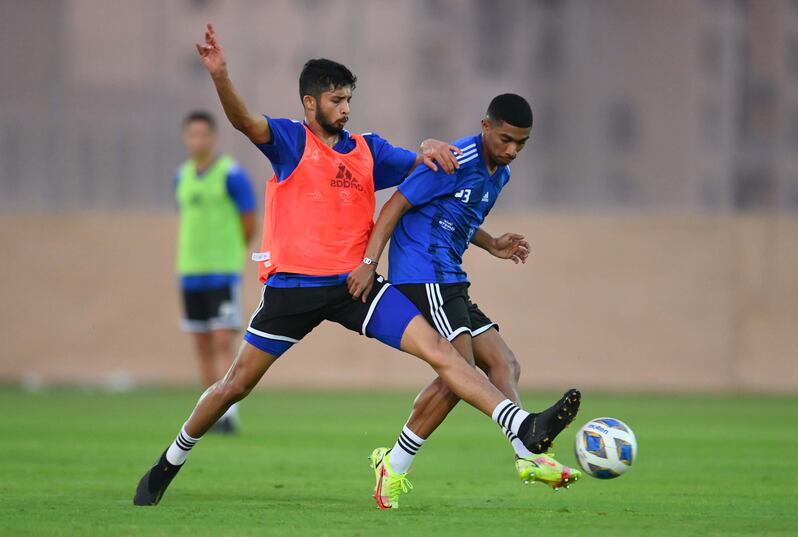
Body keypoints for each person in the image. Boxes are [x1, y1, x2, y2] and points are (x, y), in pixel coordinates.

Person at [133, 24, 580, 507]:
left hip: (355, 285)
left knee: (446, 354)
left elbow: (427, 172)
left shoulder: (369, 149)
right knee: (234, 385)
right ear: (310, 104)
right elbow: (244, 122)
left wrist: (431, 146)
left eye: (348, 99)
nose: (345, 109)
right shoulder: (289, 140)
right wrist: (221, 76)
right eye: (336, 100)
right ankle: (170, 460)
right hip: (293, 288)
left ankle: (521, 429)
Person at [346, 94, 582, 510]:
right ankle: (519, 449)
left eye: (521, 144)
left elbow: (458, 217)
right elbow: (395, 206)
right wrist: (369, 262)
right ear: (486, 126)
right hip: (423, 276)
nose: (512, 150)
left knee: (502, 364)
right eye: (506, 139)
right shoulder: (454, 159)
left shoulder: (499, 175)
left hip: (450, 280)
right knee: (461, 372)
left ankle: (524, 457)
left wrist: (491, 243)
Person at [174, 110, 257, 433]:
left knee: (223, 340)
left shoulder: (231, 174)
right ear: (186, 138)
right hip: (190, 270)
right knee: (202, 343)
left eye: (203, 134)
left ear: (213, 137)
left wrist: (233, 251)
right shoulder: (181, 177)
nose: (198, 140)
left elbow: (249, 220)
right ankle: (207, 411)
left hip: (222, 271)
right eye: (192, 134)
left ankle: (228, 413)